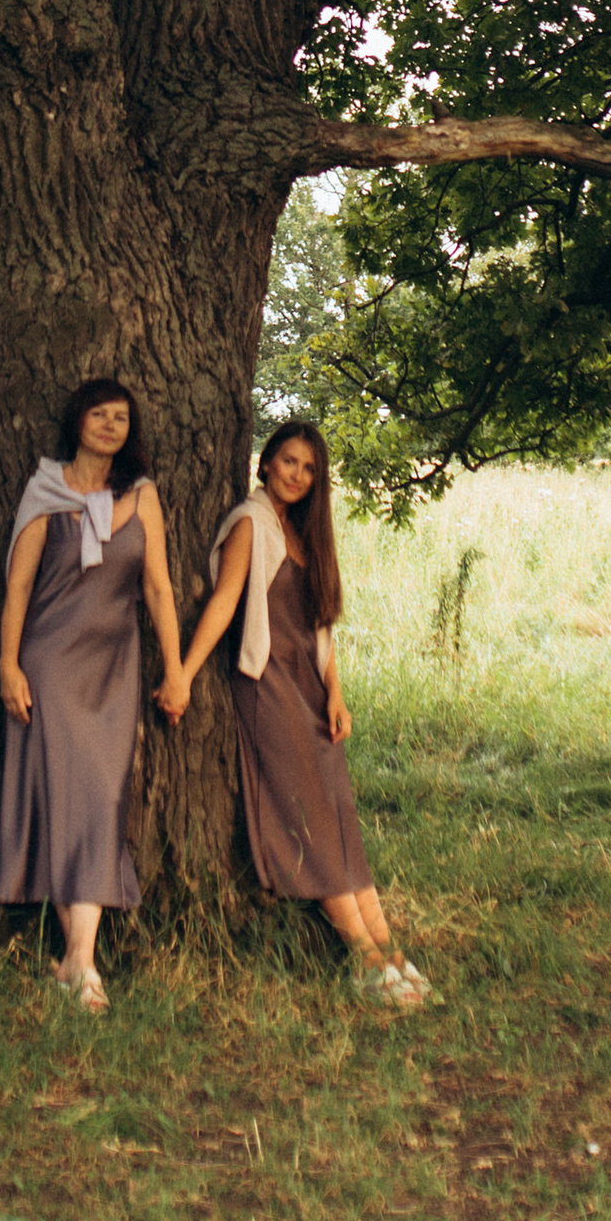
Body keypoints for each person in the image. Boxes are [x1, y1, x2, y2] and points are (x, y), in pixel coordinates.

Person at [174, 417, 428, 1007]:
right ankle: (365, 960)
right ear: (266, 462)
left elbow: (320, 627)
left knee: (338, 818)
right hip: (267, 685)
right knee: (308, 819)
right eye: (289, 461)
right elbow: (224, 603)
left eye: (309, 468)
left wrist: (335, 692)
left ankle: (392, 952)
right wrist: (183, 675)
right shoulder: (251, 523)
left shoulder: (303, 533)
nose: (297, 475)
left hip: (310, 688)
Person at [0, 377, 185, 1011]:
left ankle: (75, 961)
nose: (109, 425)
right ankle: (81, 962)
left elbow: (158, 588)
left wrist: (176, 669)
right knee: (64, 803)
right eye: (99, 414)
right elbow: (18, 586)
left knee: (102, 800)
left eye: (121, 417)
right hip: (50, 663)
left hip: (114, 670)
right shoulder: (45, 489)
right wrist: (8, 664)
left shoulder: (142, 496)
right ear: (77, 421)